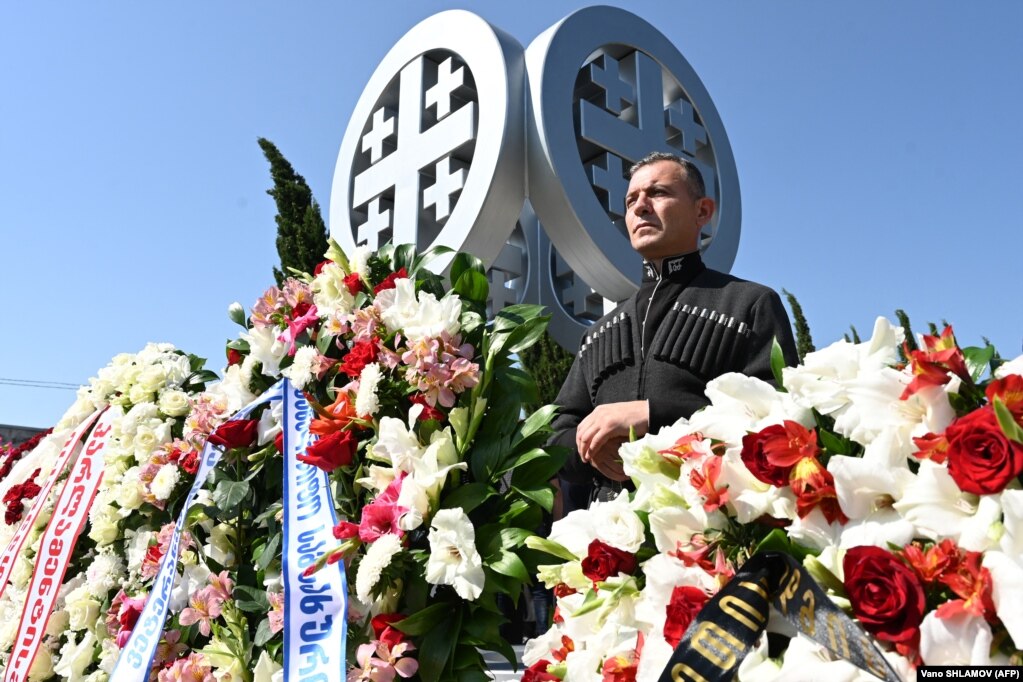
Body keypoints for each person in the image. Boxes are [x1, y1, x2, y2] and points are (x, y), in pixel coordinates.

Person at [551, 151, 799, 505]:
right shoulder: (599, 334)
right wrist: (588, 448)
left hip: (714, 525)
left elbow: (777, 413)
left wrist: (651, 414)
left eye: (658, 193)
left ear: (702, 212)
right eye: (631, 200)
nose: (640, 207)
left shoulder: (749, 304)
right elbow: (553, 432)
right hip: (608, 538)